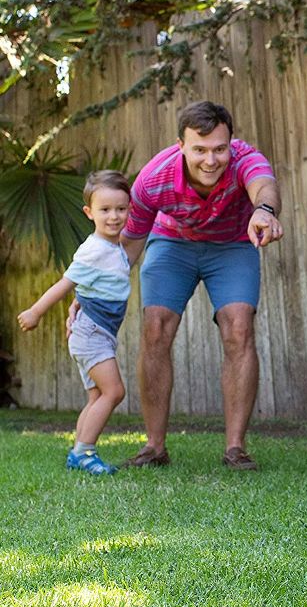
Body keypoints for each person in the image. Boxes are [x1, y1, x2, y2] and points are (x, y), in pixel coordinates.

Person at [119, 101, 282, 470]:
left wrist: (264, 211)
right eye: (200, 150)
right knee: (155, 327)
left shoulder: (245, 159)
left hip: (232, 245)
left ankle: (235, 448)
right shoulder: (153, 178)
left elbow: (264, 187)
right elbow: (129, 245)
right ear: (181, 146)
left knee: (239, 328)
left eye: (219, 149)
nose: (211, 160)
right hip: (172, 242)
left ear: (231, 143)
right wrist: (91, 291)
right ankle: (154, 447)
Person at [18, 170, 132, 475]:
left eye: (121, 209)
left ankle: (76, 453)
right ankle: (84, 452)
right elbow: (65, 284)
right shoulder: (94, 250)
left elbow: (90, 287)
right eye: (105, 210)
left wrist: (82, 301)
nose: (113, 216)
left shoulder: (113, 246)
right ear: (89, 212)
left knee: (97, 395)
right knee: (114, 392)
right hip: (90, 333)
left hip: (99, 332)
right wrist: (35, 312)